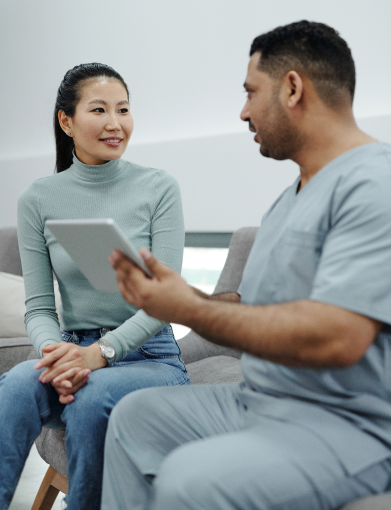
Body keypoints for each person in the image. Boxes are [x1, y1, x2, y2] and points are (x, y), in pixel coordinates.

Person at [102, 21, 391, 510]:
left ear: (293, 88)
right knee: (134, 416)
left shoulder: (373, 184)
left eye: (250, 92)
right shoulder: (290, 196)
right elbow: (261, 306)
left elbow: (338, 336)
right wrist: (180, 298)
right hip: (258, 402)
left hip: (346, 424)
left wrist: (190, 312)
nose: (243, 111)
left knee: (191, 482)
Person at [0, 63, 189, 510]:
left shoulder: (158, 188)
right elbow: (40, 307)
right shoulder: (39, 199)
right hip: (71, 350)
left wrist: (98, 355)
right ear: (66, 121)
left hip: (151, 357)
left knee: (91, 399)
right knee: (13, 385)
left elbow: (164, 303)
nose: (114, 123)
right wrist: (58, 355)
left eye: (123, 109)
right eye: (99, 109)